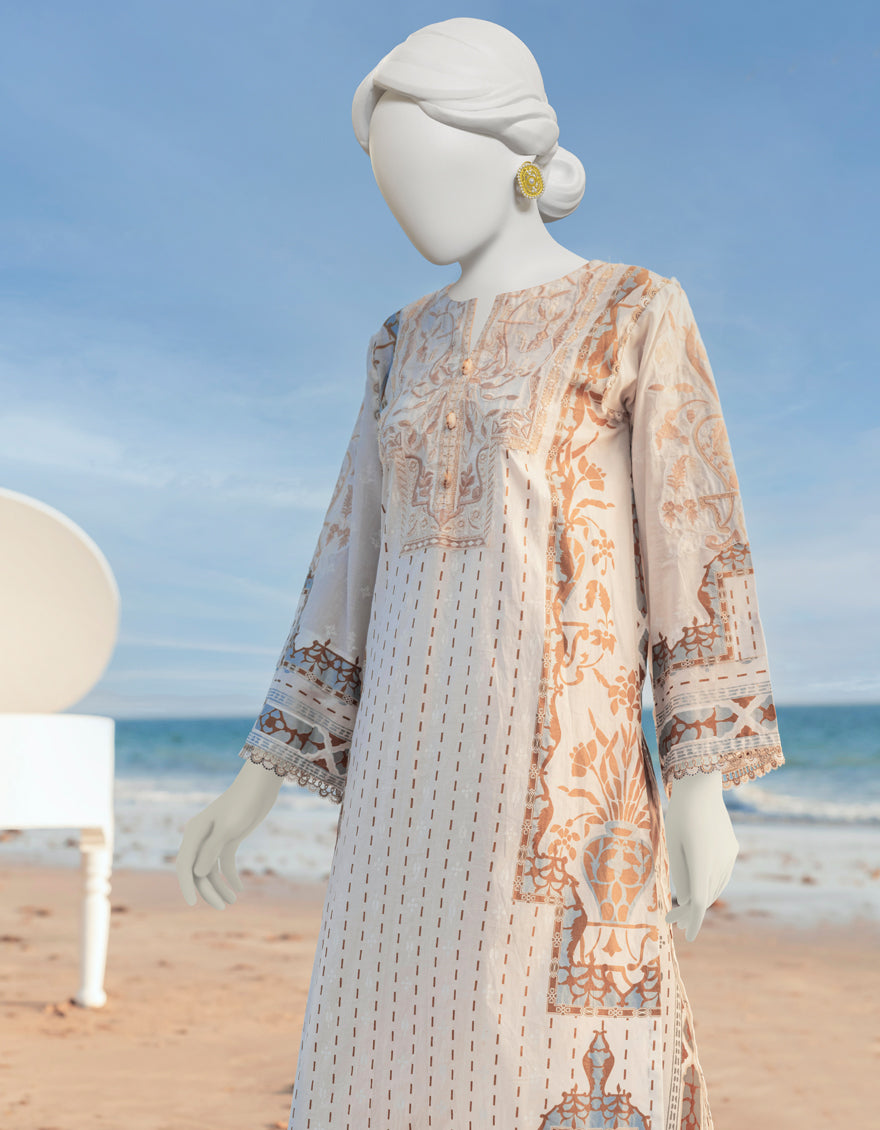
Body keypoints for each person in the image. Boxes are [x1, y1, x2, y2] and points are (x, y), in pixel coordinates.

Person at [177, 17, 785, 1128]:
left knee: (544, 1062)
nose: (406, 201)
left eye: (424, 165)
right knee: (384, 1068)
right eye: (386, 180)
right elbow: (347, 559)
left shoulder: (634, 309)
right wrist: (256, 780)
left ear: (514, 155)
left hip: (561, 777)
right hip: (400, 787)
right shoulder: (396, 344)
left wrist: (701, 784)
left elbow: (694, 538)